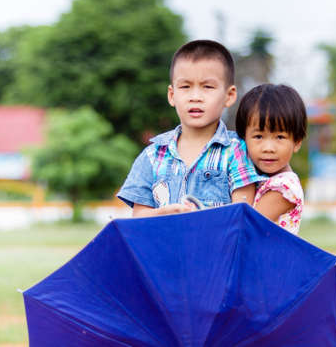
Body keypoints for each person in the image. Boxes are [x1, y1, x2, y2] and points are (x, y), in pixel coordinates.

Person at [118, 40, 265, 217]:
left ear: (229, 95)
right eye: (185, 87)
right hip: (165, 243)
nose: (195, 97)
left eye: (208, 87)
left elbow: (242, 214)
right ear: (172, 95)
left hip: (218, 244)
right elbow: (138, 217)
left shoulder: (237, 151)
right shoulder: (152, 155)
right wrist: (162, 215)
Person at [236, 84, 307, 234]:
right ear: (244, 139)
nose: (268, 148)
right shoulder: (262, 178)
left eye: (280, 137)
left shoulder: (283, 189)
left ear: (297, 142)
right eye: (258, 136)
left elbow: (245, 228)